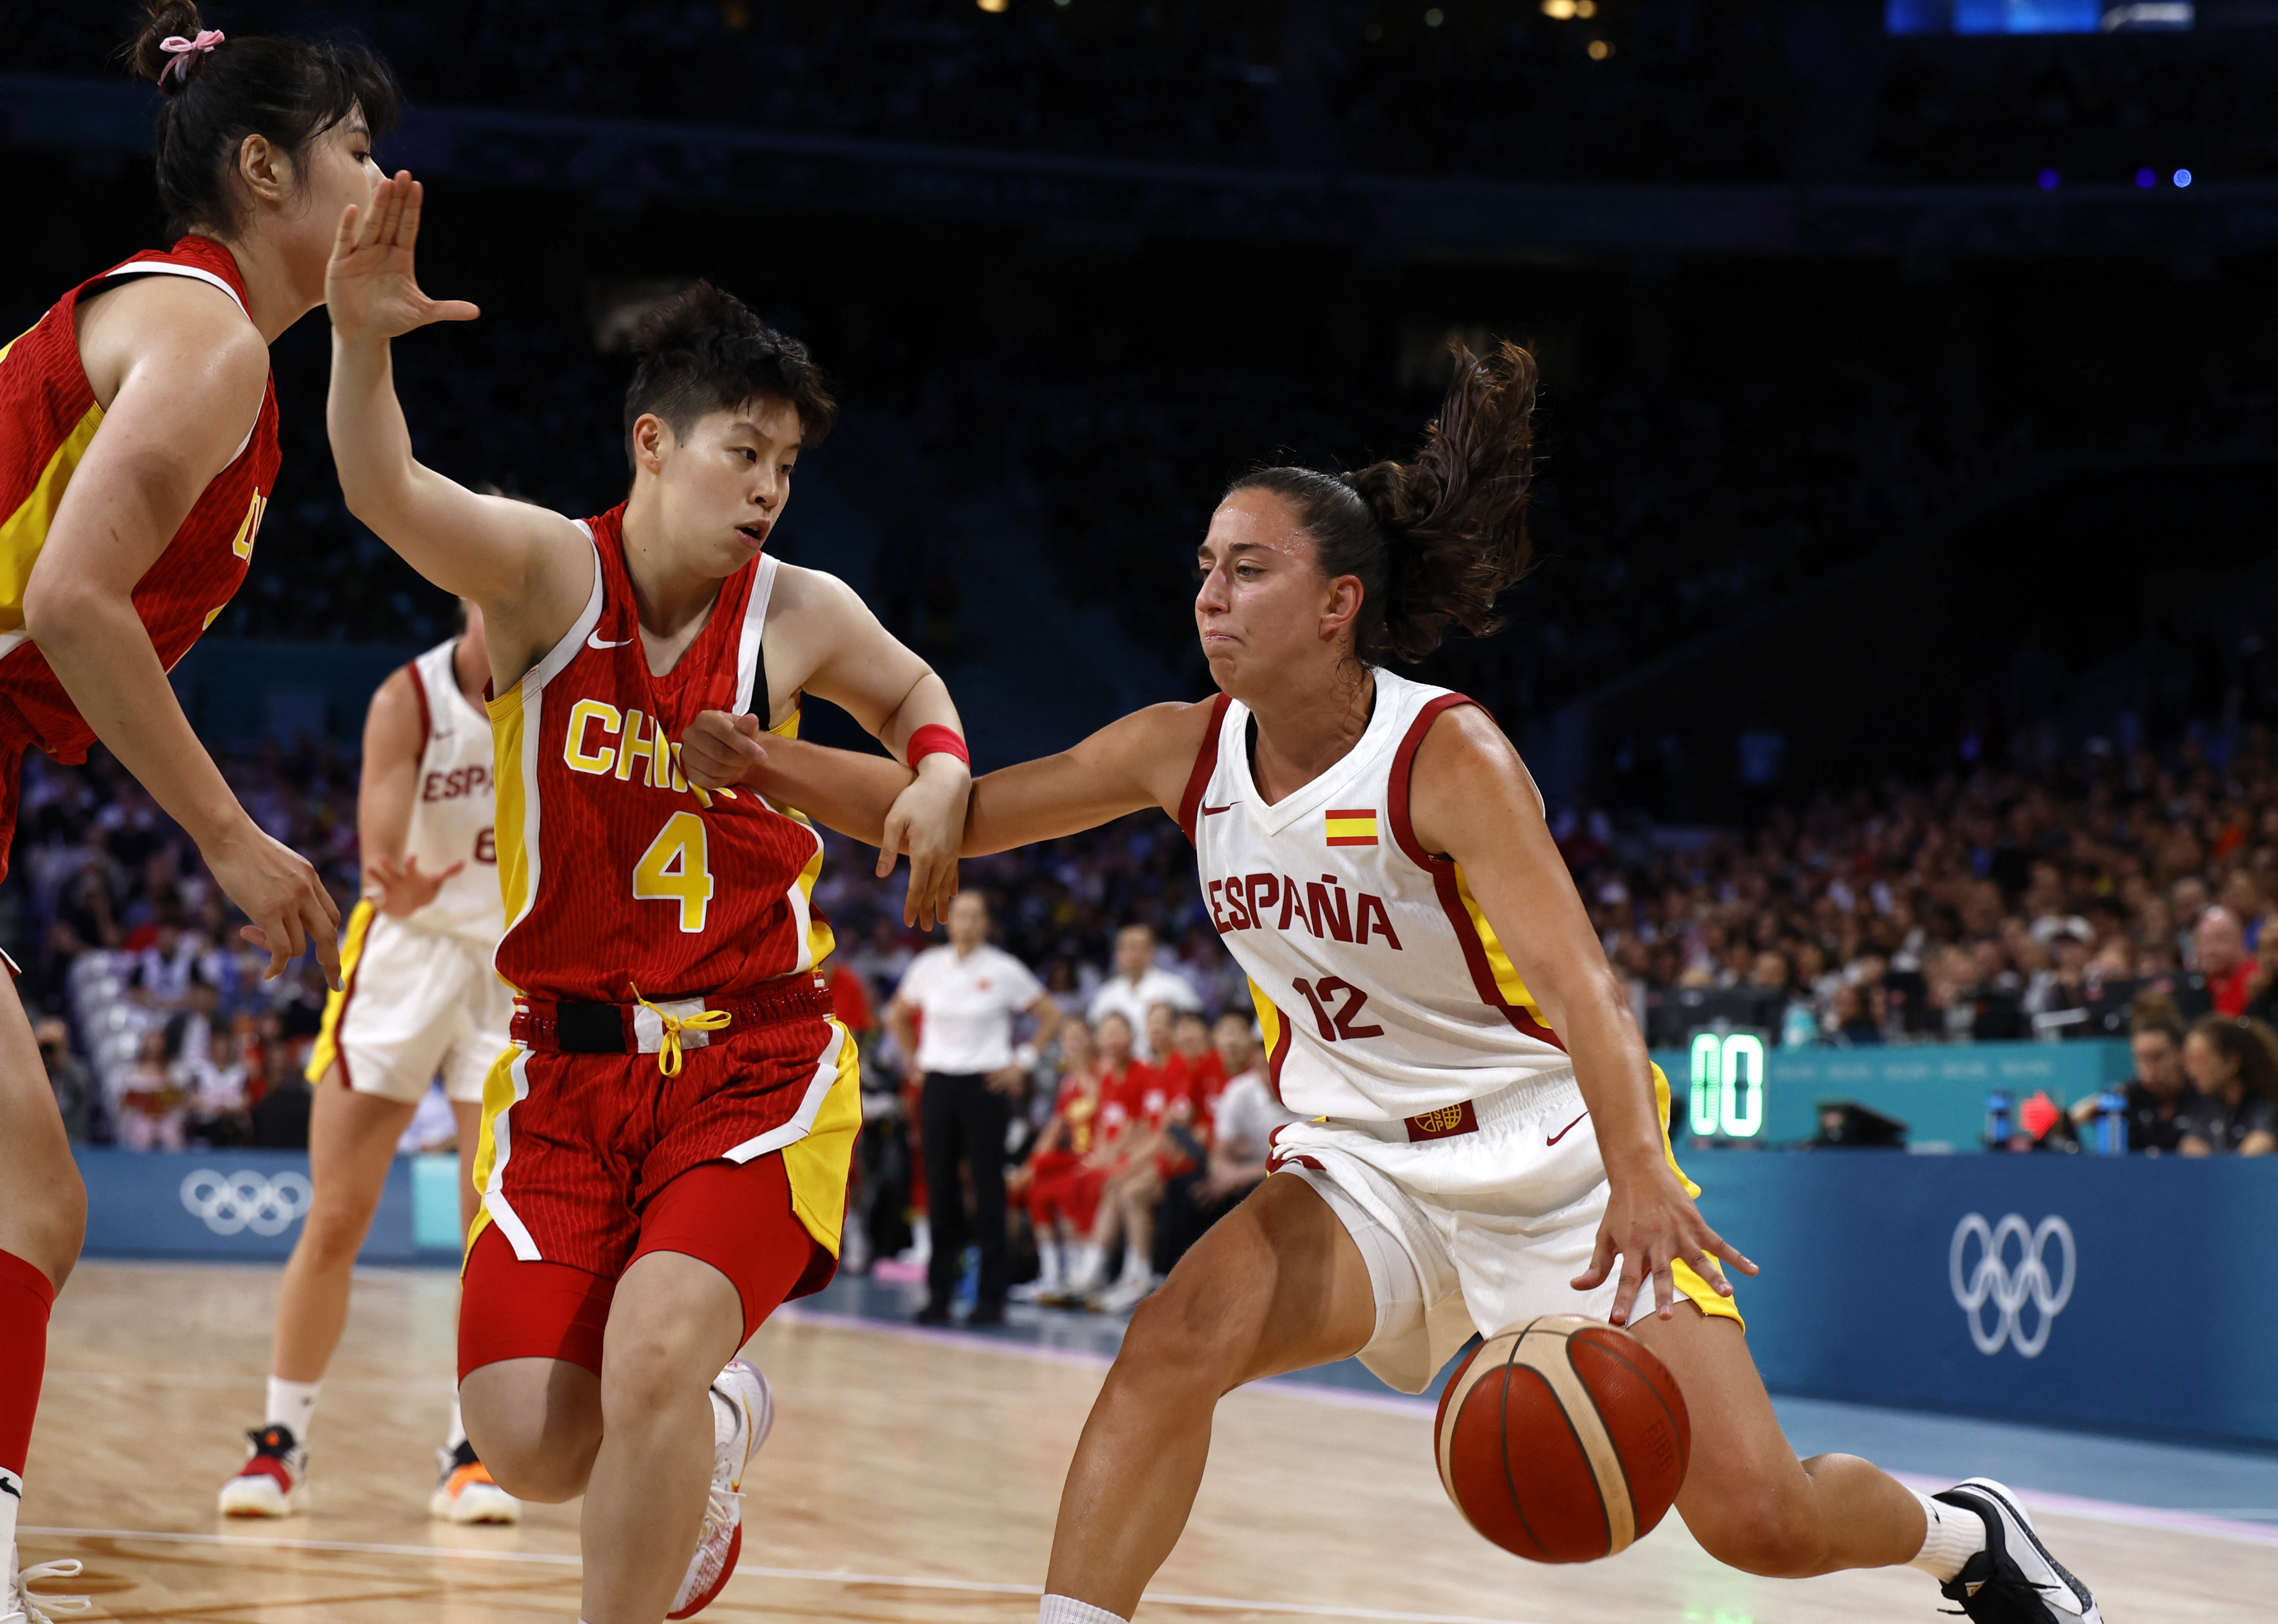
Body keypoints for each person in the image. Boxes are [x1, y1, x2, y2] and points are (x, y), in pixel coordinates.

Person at [735, 339, 2103, 1624]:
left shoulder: (1446, 757)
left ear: (1339, 605)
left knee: (1762, 1525)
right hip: (1359, 1167)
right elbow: (955, 815)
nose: (1209, 595)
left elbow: (1587, 995)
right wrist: (754, 760)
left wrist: (1638, 1174)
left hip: (1552, 1161)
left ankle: (1961, 1533)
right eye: (1204, 566)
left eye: (1248, 569)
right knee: (1171, 1340)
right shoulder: (1178, 748)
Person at [324, 182, 970, 1622]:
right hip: (567, 1071)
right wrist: (361, 348)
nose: (767, 489)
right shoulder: (552, 573)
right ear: (653, 445)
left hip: (749, 1056)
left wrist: (935, 769)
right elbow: (385, 493)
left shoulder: (797, 610)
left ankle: (691, 1421)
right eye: (746, 453)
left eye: (788, 466)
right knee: (525, 1439)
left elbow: (917, 696)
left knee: (655, 1346)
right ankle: (725, 1419)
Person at [0, 8, 369, 1616]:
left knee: (30, 1194)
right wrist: (225, 833)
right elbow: (76, 600)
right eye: (359, 148)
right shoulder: (206, 336)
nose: (386, 177)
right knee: (26, 1195)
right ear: (265, 163)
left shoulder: (222, 352)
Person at [217, 604, 519, 1523]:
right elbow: (380, 838)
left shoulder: (564, 689)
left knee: (488, 1225)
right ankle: (281, 1441)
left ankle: (471, 1449)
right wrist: (399, 874)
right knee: (339, 1210)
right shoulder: (412, 697)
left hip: (514, 964)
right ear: (465, 600)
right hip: (406, 953)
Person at [886, 892, 1063, 1327]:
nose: (966, 922)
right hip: (939, 1081)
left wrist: (1021, 1062)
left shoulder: (1002, 969)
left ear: (986, 923)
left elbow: (1051, 1016)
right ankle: (938, 1296)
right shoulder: (929, 966)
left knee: (989, 1188)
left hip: (986, 1083)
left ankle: (991, 1298)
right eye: (960, 914)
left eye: (975, 915)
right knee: (940, 1186)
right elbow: (896, 1015)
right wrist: (913, 1061)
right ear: (950, 921)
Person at [1011, 1020, 1106, 1304]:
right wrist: (1031, 1167)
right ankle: (1052, 1274)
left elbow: (1111, 1118)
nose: (1073, 1043)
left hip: (1099, 1156)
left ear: (1091, 1040)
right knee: (1037, 1187)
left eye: (1079, 1036)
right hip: (1076, 1157)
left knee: (1064, 1185)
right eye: (1067, 1038)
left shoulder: (1104, 1073)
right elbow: (1055, 1128)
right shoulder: (1070, 1082)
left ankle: (1081, 1272)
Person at [2067, 996, 2192, 1152]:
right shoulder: (2130, 1095)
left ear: (2181, 1054)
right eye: (2140, 1059)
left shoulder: (2205, 1099)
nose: (2149, 1069)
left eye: (2157, 1058)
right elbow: (2077, 1115)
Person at [1085, 923, 1198, 1061]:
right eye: (1126, 948)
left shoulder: (1175, 988)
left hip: (1163, 1065)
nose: (1133, 955)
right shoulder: (1105, 995)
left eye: (1139, 948)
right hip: (1121, 1071)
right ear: (1117, 954)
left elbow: (1195, 1028)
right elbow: (1092, 1037)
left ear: (1152, 951)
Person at [2177, 1014, 2278, 1156]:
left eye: (2199, 1059)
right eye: (2187, 1060)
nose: (2191, 1070)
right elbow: (2190, 1150)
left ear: (2232, 1062)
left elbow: (2255, 1153)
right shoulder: (2203, 1108)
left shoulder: (2264, 1108)